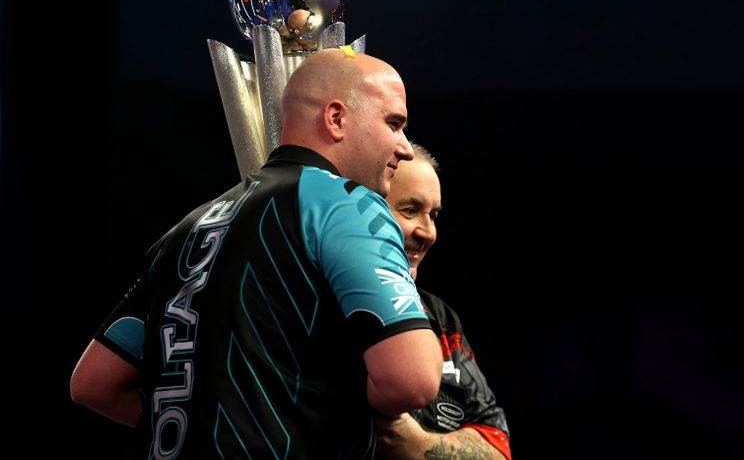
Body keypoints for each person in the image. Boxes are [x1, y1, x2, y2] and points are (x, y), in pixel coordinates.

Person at [70, 48, 443, 458]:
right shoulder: (348, 204)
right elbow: (413, 380)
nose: (405, 148)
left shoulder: (185, 229)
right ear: (336, 118)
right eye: (394, 124)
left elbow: (93, 383)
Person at [375, 144, 512, 460]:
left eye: (433, 215)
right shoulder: (323, 306)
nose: (429, 233)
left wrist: (411, 441)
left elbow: (498, 447)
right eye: (410, 210)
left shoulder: (440, 318)